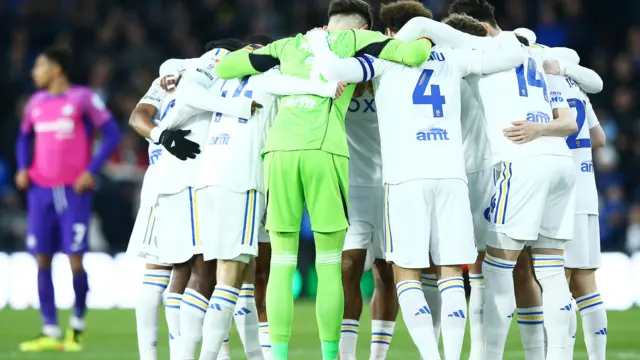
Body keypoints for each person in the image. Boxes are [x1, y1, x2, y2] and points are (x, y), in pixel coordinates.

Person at [307, 3, 528, 358]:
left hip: (405, 180)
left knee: (406, 273)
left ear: (390, 32)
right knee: (452, 271)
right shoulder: (453, 57)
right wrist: (439, 31)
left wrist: (318, 40)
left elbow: (332, 67)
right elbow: (513, 54)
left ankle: (431, 355)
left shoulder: (382, 59)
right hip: (451, 176)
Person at [213, 1, 432, 358]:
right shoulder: (357, 41)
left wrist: (256, 52)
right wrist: (428, 37)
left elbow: (226, 66)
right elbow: (412, 55)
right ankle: (331, 356)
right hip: (324, 150)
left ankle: (278, 355)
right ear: (363, 28)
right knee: (328, 263)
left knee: (283, 263)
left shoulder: (288, 45)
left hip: (279, 152)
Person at [195, 42, 345, 360]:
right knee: (233, 275)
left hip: (209, 178)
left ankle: (252, 355)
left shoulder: (221, 79)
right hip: (246, 179)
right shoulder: (272, 78)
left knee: (237, 275)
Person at [153, 38, 256, 360]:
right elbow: (188, 89)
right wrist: (239, 107)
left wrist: (159, 134)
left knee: (190, 271)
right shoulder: (218, 62)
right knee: (208, 270)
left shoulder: (176, 69)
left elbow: (141, 113)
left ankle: (204, 354)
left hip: (176, 175)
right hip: (200, 176)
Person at [15, 46, 121, 352]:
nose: (35, 72)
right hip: (40, 191)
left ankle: (77, 324)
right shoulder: (34, 102)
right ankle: (49, 329)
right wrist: (23, 167)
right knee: (41, 258)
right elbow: (24, 137)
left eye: (39, 66)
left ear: (57, 69)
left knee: (75, 259)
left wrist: (91, 170)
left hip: (72, 192)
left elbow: (112, 133)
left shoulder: (83, 99)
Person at [544, 64, 608, 359]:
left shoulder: (542, 86)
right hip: (587, 192)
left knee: (559, 281)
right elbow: (599, 139)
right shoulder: (578, 90)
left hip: (558, 194)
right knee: (586, 284)